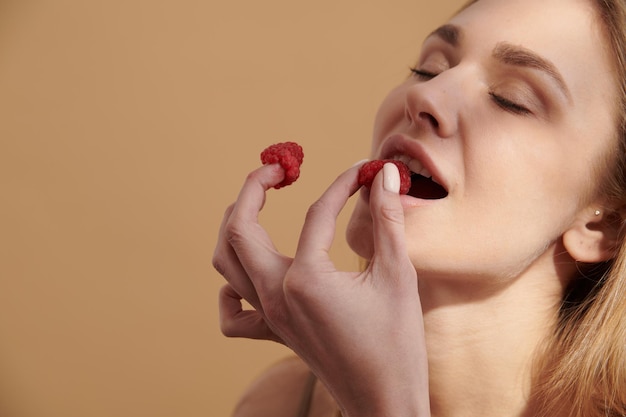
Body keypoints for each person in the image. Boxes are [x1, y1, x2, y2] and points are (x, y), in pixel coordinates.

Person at [212, 0, 626, 415]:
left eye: (510, 99)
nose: (425, 94)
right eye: (428, 68)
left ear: (603, 224)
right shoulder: (281, 402)